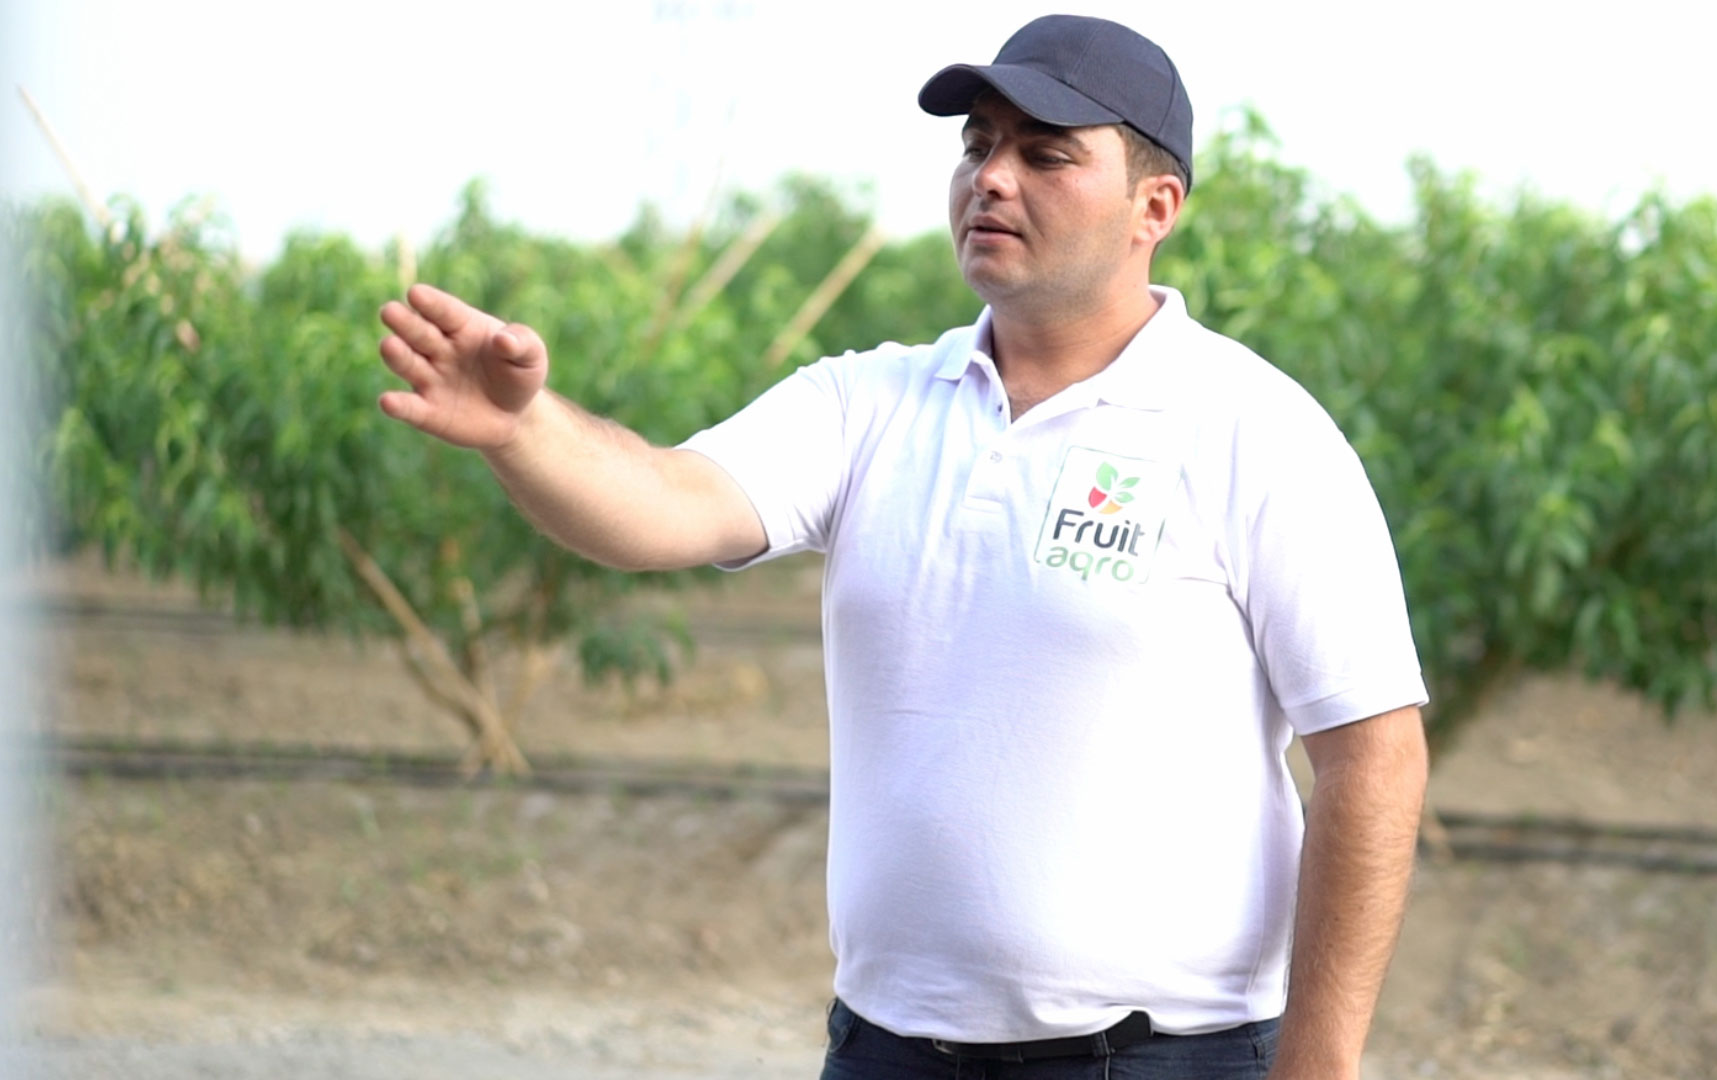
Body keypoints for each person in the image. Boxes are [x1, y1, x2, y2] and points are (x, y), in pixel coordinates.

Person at [375, 14, 1429, 1079]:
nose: (992, 178)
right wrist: (523, 430)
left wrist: (1319, 1063)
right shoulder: (868, 402)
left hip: (1161, 1059)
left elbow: (1374, 755)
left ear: (1153, 207)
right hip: (886, 1050)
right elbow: (659, 504)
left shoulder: (1252, 431)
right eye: (978, 145)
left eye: (1045, 154)